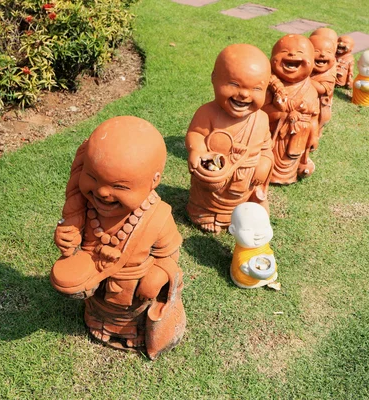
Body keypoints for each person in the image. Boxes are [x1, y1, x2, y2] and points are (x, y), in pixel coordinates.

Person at [50, 116, 185, 359]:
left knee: (131, 315)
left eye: (120, 187)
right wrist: (66, 238)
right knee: (100, 311)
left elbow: (169, 254)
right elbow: (73, 241)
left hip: (134, 292)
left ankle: (133, 334)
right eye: (93, 177)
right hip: (99, 288)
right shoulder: (84, 208)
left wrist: (158, 274)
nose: (102, 192)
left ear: (154, 181)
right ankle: (97, 325)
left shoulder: (158, 217)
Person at [185, 44, 273, 233]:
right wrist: (197, 150)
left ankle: (234, 214)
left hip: (244, 178)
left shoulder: (262, 119)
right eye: (234, 84)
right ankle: (207, 213)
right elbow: (196, 134)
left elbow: (266, 147)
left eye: (256, 88)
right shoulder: (207, 113)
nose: (244, 94)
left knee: (241, 201)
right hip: (213, 172)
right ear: (214, 79)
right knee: (207, 193)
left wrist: (264, 164)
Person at [263, 34, 320, 184]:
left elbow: (314, 117)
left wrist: (313, 136)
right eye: (284, 51)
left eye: (300, 53)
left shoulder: (311, 90)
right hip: (274, 134)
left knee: (292, 156)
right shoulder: (270, 87)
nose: (292, 54)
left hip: (298, 135)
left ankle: (289, 175)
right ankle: (266, 174)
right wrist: (282, 114)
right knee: (269, 156)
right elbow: (262, 112)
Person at [228, 202, 277, 289]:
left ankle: (267, 277)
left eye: (265, 227)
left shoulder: (264, 245)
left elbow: (268, 252)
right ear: (233, 230)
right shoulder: (242, 250)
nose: (259, 233)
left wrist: (271, 258)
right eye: (248, 230)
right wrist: (244, 267)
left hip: (263, 266)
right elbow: (240, 259)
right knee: (242, 277)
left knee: (273, 270)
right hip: (247, 272)